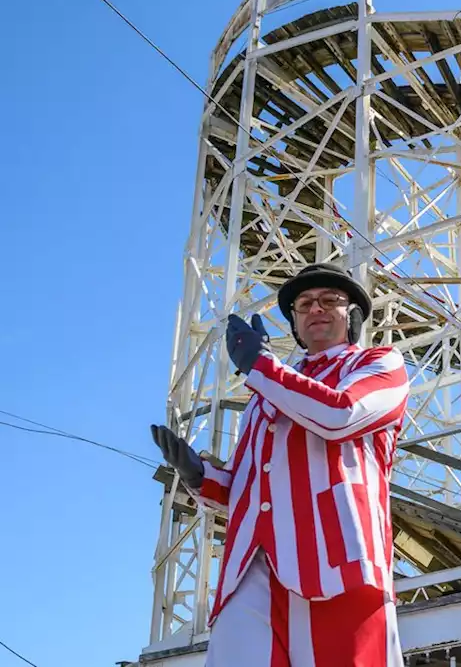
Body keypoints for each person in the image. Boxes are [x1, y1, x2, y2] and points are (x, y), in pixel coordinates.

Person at [151, 263, 410, 667]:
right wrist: (199, 477)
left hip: (336, 556)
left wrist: (261, 366)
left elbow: (340, 414)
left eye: (330, 300)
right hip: (253, 563)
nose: (315, 309)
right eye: (304, 305)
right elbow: (248, 485)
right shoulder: (266, 392)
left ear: (353, 316)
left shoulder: (378, 364)